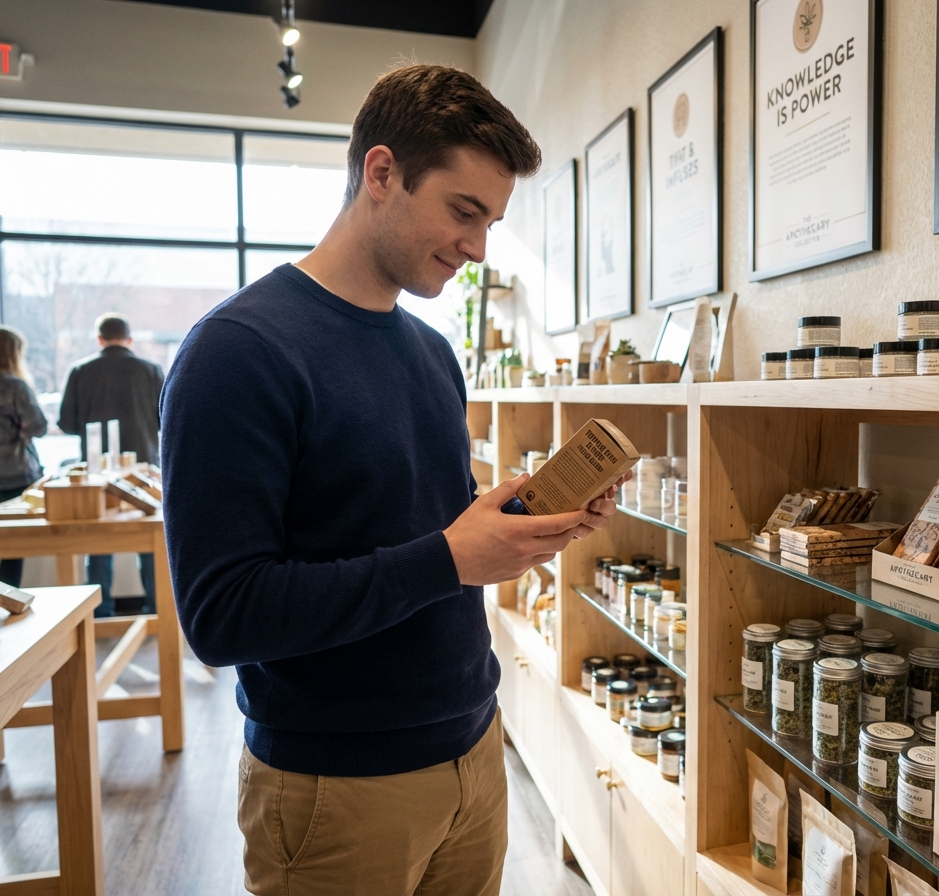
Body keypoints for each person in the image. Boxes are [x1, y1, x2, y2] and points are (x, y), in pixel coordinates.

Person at [160, 64, 624, 896]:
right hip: (335, 791)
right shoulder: (237, 353)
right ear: (381, 174)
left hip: (475, 755)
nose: (478, 247)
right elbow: (222, 618)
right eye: (464, 211)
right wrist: (450, 557)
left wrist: (519, 523)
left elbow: (420, 531)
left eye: (492, 221)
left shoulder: (432, 352)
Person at [58, 312, 164, 616]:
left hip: (97, 471)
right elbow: (165, 419)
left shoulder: (80, 370)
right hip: (144, 468)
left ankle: (101, 613)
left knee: (99, 543)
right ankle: (157, 610)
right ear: (129, 339)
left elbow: (66, 422)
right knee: (150, 542)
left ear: (99, 339)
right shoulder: (150, 370)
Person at [0, 326, 46, 587]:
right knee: (12, 550)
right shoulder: (14, 387)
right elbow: (37, 425)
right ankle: (8, 607)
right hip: (14, 476)